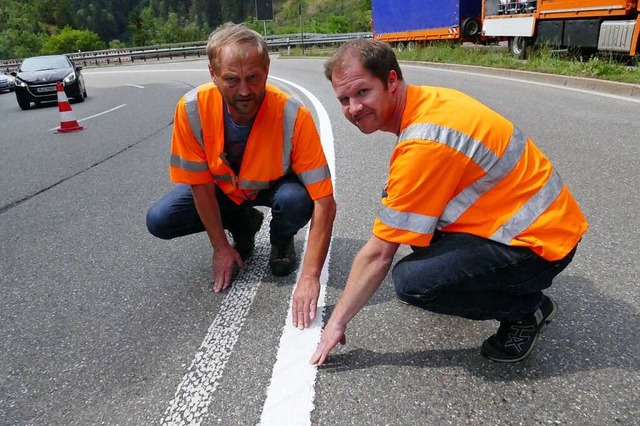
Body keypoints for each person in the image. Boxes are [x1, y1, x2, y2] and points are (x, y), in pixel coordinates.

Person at [310, 38, 588, 364]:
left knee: (412, 284)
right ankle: (493, 289)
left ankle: (527, 311)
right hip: (538, 226)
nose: (353, 108)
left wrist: (337, 321)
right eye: (344, 99)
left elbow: (377, 256)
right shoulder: (430, 101)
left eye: (362, 92)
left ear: (391, 81)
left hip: (540, 246)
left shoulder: (426, 141)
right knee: (404, 208)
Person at [146, 24, 336, 329]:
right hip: (224, 189)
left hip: (274, 185)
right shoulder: (192, 109)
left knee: (297, 200)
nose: (245, 91)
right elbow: (200, 187)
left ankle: (282, 240)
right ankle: (242, 224)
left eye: (253, 78)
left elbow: (324, 200)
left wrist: (310, 276)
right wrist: (220, 247)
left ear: (267, 68)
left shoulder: (292, 114)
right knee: (159, 219)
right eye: (231, 80)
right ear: (212, 73)